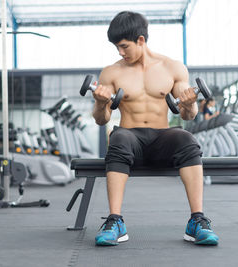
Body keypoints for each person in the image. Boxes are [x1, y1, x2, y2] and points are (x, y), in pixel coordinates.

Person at [91, 11, 219, 246]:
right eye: (116, 48)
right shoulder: (111, 72)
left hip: (163, 137)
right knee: (117, 137)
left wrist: (190, 104)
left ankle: (197, 220)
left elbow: (187, 115)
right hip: (129, 137)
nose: (120, 53)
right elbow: (101, 119)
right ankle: (115, 221)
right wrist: (100, 103)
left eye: (123, 46)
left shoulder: (173, 68)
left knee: (186, 138)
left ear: (141, 40)